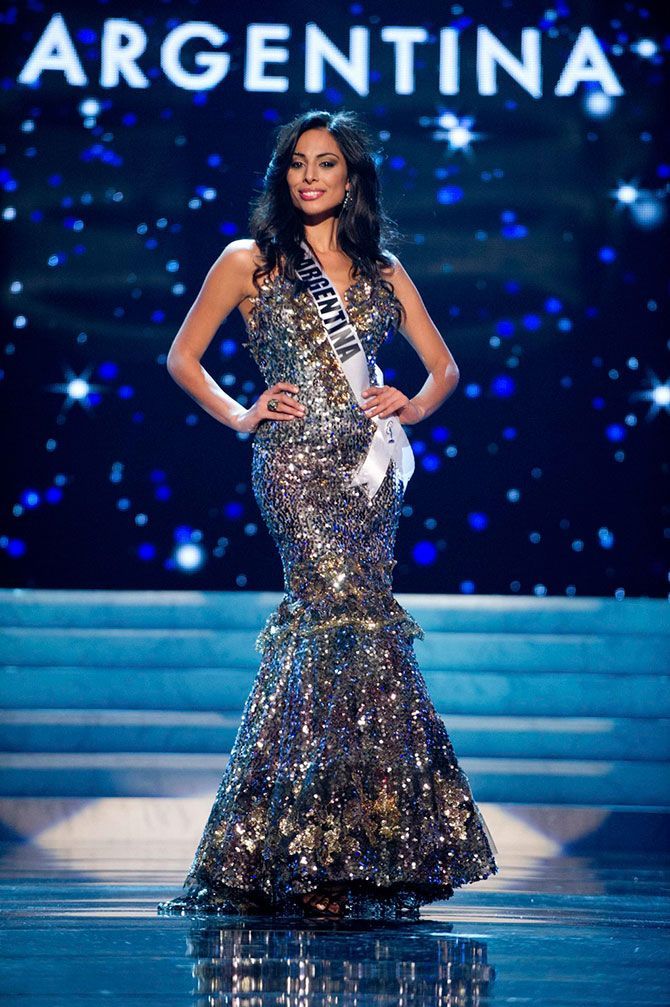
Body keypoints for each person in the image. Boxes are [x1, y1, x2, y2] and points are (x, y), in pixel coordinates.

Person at [157, 109, 498, 922]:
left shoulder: (383, 270)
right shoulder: (251, 262)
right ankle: (298, 849)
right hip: (295, 470)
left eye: (327, 164)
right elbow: (181, 355)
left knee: (367, 635)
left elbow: (445, 365)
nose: (310, 176)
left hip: (372, 475)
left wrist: (411, 402)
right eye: (298, 163)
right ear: (284, 177)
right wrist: (240, 413)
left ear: (351, 180)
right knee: (323, 625)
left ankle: (371, 845)